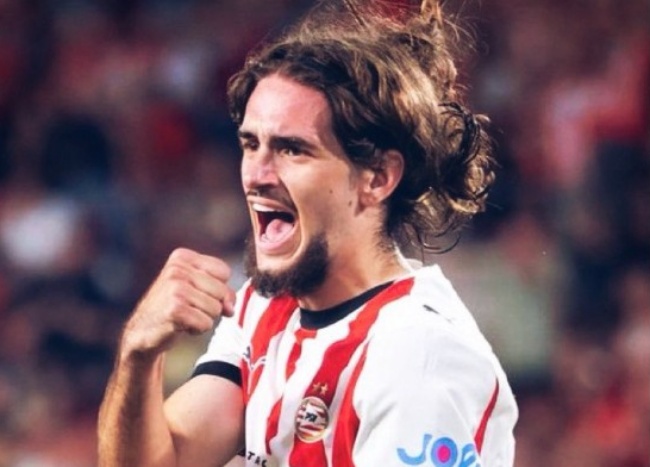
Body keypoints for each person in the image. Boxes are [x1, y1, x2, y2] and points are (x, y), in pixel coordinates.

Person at [97, 1, 518, 465]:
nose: (256, 175)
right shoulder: (265, 306)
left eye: (292, 150)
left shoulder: (418, 355)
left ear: (377, 178)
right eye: (251, 144)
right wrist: (139, 353)